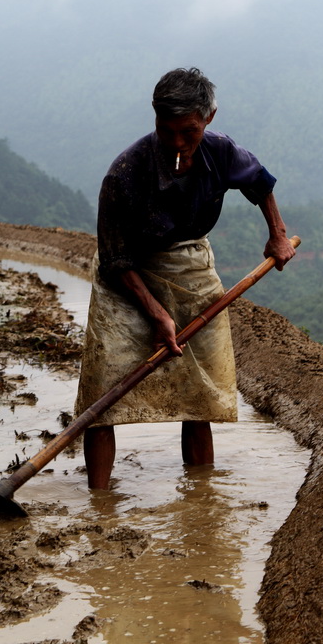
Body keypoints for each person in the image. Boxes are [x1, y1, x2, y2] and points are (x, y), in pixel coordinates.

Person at [76, 67, 295, 489]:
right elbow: (115, 259)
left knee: (199, 395)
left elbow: (260, 183)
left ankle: (201, 501)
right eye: (167, 130)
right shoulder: (124, 173)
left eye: (188, 131)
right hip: (126, 276)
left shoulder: (221, 152)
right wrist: (156, 313)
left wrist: (278, 235)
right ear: (154, 119)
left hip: (190, 268)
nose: (177, 142)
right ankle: (98, 503)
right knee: (103, 396)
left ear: (208, 117)